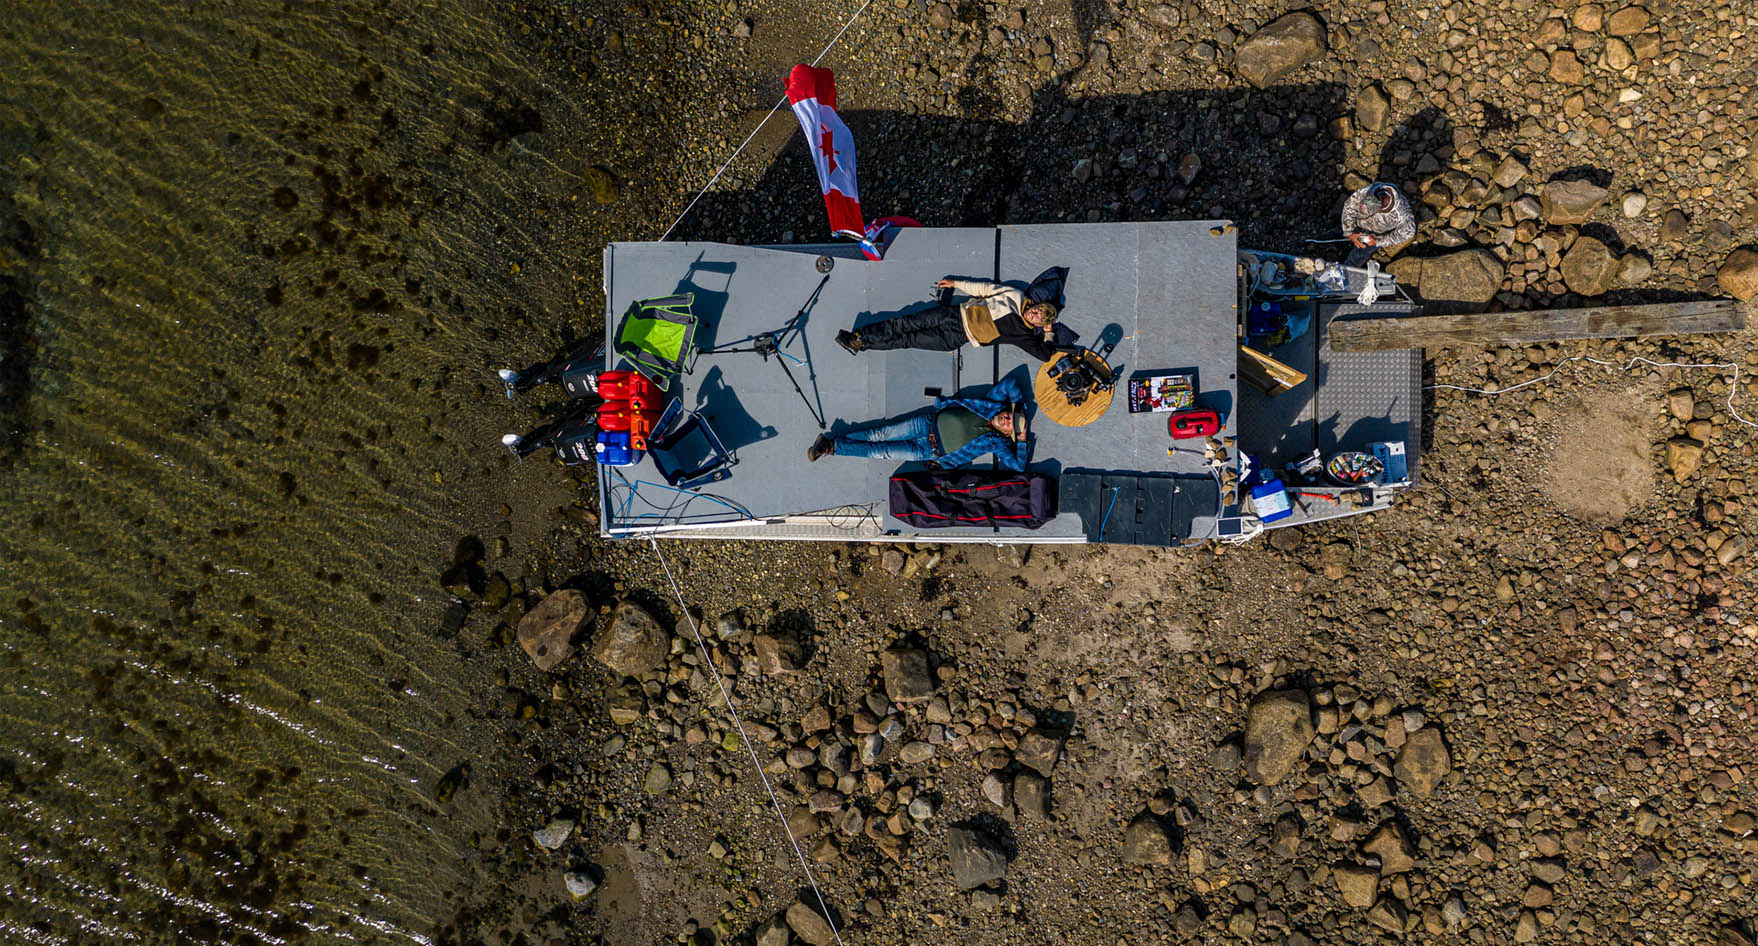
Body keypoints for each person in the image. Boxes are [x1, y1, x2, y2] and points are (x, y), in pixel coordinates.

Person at [807, 376, 1033, 471]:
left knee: (882, 452)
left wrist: (1021, 441)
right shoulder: (993, 404)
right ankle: (830, 444)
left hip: (929, 451)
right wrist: (1018, 405)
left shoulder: (997, 443)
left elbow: (1019, 466)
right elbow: (1011, 384)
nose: (1006, 420)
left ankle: (830, 446)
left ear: (1007, 433)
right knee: (880, 433)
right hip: (926, 425)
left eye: (1009, 425)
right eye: (1009, 416)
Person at [835, 275, 1064, 361]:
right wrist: (957, 284)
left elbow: (1045, 355)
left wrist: (1048, 332)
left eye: (1038, 318)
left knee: (907, 340)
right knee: (904, 323)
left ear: (1038, 324)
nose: (1034, 314)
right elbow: (984, 289)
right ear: (1036, 305)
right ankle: (858, 338)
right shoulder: (1016, 295)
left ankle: (863, 345)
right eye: (1037, 310)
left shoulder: (1023, 334)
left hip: (956, 338)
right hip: (953, 314)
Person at [1340, 182, 1416, 266]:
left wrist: (1378, 241)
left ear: (1379, 210)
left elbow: (1409, 232)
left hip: (1373, 235)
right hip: (1356, 223)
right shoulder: (1369, 190)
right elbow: (1350, 206)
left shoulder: (1403, 214)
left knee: (1359, 255)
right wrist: (1349, 232)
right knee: (1338, 232)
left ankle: (1349, 267)